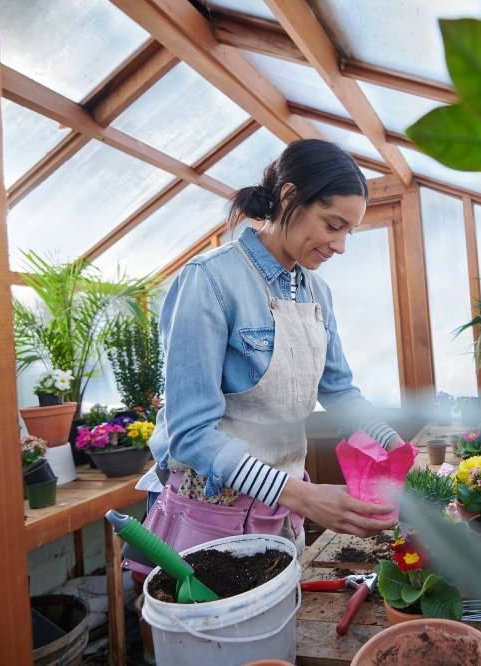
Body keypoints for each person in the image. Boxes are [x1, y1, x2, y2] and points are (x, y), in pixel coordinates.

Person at [126, 140, 404, 573]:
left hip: (279, 507)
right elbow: (191, 434)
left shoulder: (317, 294)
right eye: (333, 225)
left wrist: (396, 446)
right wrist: (305, 496)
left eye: (348, 231)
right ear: (290, 197)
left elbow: (339, 391)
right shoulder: (211, 281)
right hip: (209, 515)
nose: (341, 245)